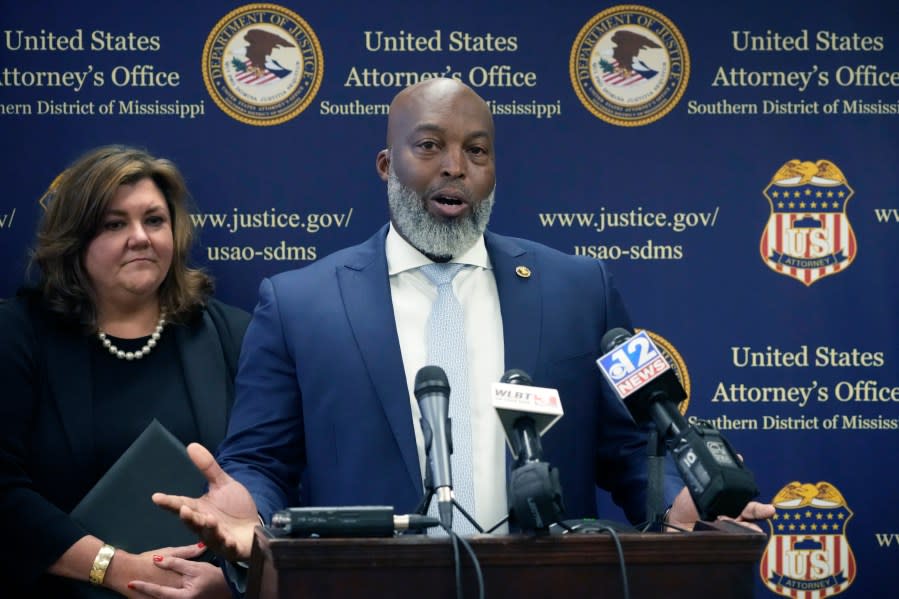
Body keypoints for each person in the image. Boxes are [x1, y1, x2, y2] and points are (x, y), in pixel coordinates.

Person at [154, 78, 774, 567]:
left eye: (476, 151)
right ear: (384, 164)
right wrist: (252, 511)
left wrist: (680, 501)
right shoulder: (299, 303)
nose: (455, 166)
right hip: (368, 587)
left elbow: (633, 448)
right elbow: (262, 462)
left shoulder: (578, 289)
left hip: (551, 585)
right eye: (429, 146)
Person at [0, 145, 250, 597]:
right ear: (74, 240)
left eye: (154, 220)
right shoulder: (17, 333)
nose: (140, 237)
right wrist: (114, 568)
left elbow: (268, 475)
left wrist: (232, 583)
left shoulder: (232, 334)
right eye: (115, 224)